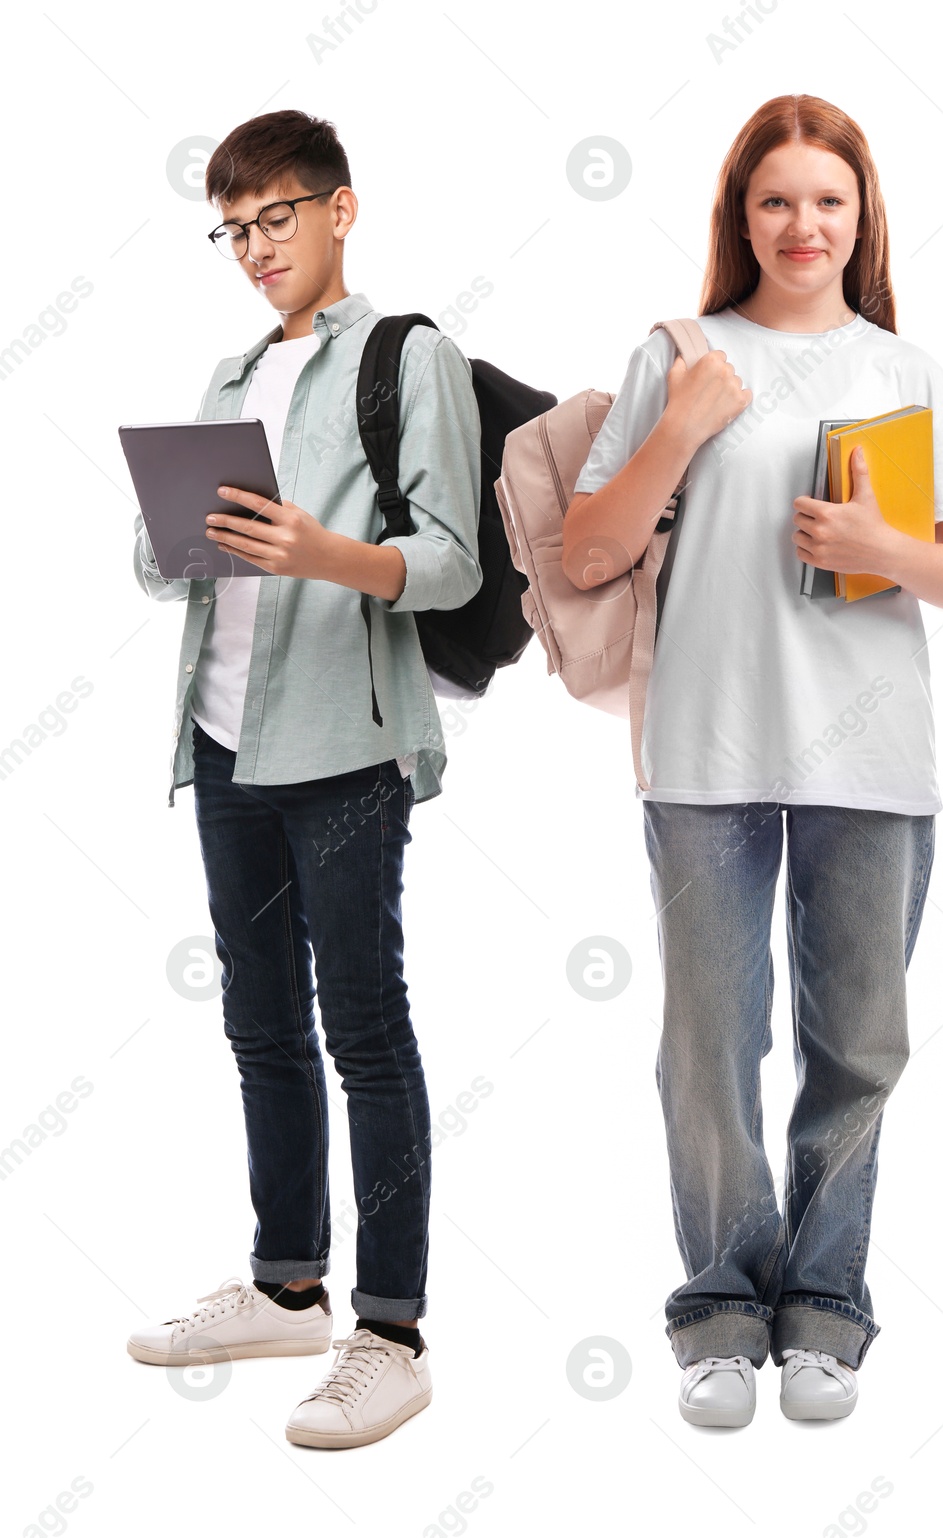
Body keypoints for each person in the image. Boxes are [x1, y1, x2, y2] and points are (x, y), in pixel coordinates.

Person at [564, 93, 943, 1427]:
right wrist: (684, 426)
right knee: (708, 1042)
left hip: (875, 759)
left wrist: (888, 556)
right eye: (777, 201)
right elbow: (585, 553)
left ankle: (823, 1304)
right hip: (705, 751)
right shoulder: (679, 352)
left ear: (862, 215)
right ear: (739, 216)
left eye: (829, 200)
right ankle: (717, 1300)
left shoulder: (909, 368)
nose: (803, 225)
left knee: (858, 1045)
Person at [126, 109, 481, 1449]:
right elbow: (165, 565)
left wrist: (318, 550)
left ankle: (389, 1328)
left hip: (345, 744)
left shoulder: (406, 355)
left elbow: (449, 560)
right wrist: (181, 538)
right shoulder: (229, 376)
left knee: (365, 1027)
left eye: (278, 217)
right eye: (234, 227)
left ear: (341, 209)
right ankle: (287, 1281)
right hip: (221, 739)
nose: (256, 247)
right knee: (260, 1019)